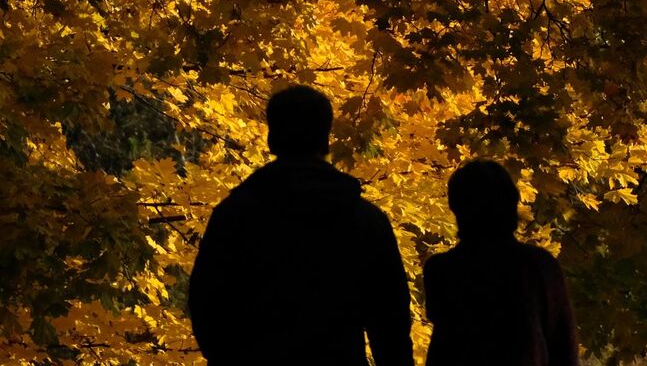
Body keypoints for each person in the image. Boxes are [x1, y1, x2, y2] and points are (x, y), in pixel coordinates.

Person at [188, 84, 413, 365]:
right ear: (326, 140)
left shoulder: (234, 215)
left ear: (271, 140)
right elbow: (390, 320)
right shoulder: (366, 220)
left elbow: (206, 303)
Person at [423, 159, 579, 366]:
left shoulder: (441, 270)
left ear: (456, 207)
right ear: (511, 203)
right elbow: (563, 344)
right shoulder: (539, 266)